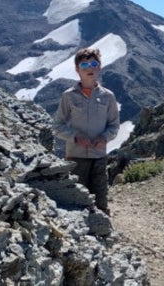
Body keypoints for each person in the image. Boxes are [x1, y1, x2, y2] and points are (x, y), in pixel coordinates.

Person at [53, 47, 120, 214]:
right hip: (76, 157)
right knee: (78, 202)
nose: (89, 68)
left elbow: (114, 125)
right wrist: (75, 137)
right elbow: (57, 126)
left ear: (99, 67)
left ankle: (103, 234)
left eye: (94, 64)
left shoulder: (108, 96)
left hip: (99, 157)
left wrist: (104, 138)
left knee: (100, 201)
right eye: (84, 65)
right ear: (77, 69)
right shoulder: (68, 96)